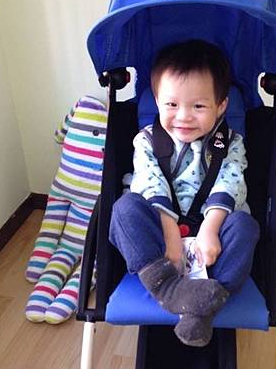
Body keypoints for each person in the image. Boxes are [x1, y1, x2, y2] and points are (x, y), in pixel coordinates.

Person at [109, 40, 259, 347]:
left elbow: (229, 183)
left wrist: (210, 229)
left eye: (198, 106)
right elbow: (150, 183)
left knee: (246, 226)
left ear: (221, 106)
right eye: (171, 105)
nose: (184, 116)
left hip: (212, 244)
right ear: (157, 102)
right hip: (159, 248)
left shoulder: (231, 143)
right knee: (124, 209)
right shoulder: (146, 140)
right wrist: (169, 235)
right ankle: (168, 289)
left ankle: (208, 298)